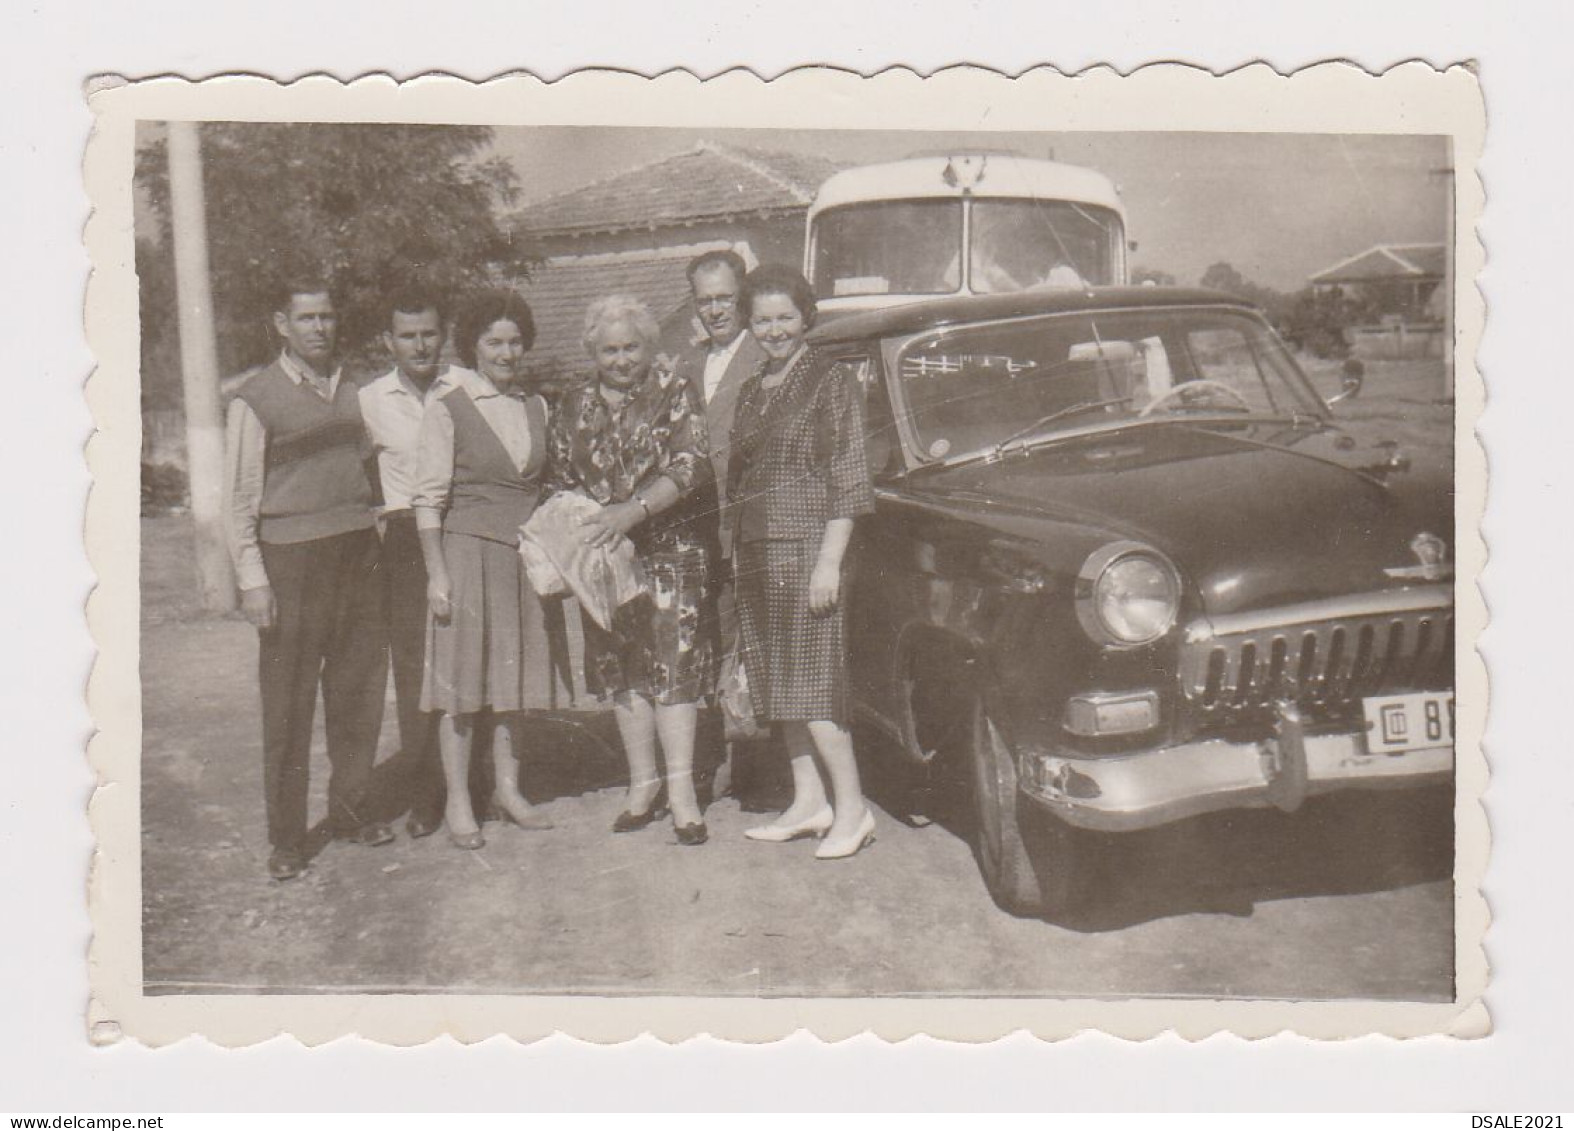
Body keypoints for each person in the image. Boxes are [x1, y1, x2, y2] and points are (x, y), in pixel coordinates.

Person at [225, 275, 393, 881]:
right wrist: (253, 580)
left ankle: (351, 811)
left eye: (326, 317)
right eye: (306, 319)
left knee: (358, 693)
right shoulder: (256, 398)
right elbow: (241, 497)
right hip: (290, 562)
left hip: (355, 556)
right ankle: (287, 840)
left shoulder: (356, 391)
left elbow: (372, 476)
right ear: (282, 325)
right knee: (289, 705)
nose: (319, 328)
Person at [546, 295, 717, 845]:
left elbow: (692, 464)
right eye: (609, 350)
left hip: (669, 549)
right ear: (592, 351)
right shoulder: (571, 404)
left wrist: (633, 510)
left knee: (674, 670)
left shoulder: (674, 393)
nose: (621, 360)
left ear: (650, 347)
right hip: (602, 557)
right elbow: (557, 478)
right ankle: (642, 787)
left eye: (631, 348)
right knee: (622, 671)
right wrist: (579, 529)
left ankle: (684, 795)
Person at [726, 265, 878, 859]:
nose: (774, 330)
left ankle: (854, 809)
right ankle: (809, 802)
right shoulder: (752, 386)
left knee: (814, 690)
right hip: (758, 550)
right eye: (762, 319)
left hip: (808, 548)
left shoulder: (830, 381)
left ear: (805, 316)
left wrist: (828, 564)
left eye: (785, 317)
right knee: (778, 687)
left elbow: (848, 478)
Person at [411, 289, 564, 849]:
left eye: (515, 342)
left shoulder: (536, 405)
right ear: (472, 346)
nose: (506, 353)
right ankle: (458, 800)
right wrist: (437, 574)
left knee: (514, 680)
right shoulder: (447, 404)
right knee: (462, 686)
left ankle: (508, 789)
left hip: (521, 560)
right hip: (467, 554)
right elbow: (426, 498)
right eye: (494, 342)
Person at [357, 283, 453, 839]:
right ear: (388, 341)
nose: (420, 346)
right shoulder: (370, 401)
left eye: (429, 334)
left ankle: (471, 781)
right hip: (402, 543)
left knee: (463, 659)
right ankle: (425, 793)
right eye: (407, 336)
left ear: (443, 337)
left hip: (456, 532)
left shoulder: (465, 388)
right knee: (416, 669)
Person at [672, 250, 766, 803]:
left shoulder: (763, 353)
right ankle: (708, 759)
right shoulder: (689, 362)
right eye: (704, 301)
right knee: (704, 638)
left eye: (724, 298)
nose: (715, 311)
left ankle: (753, 762)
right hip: (700, 528)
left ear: (743, 296)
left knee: (748, 638)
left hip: (749, 521)